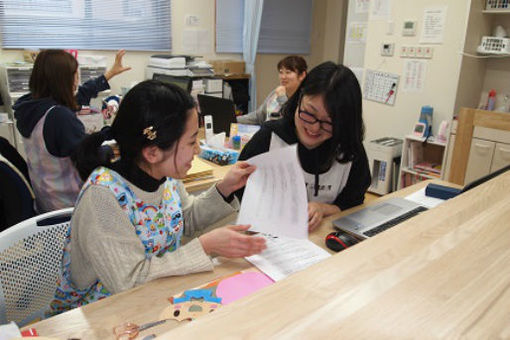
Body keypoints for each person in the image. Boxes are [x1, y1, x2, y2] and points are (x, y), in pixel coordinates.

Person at [48, 80, 266, 315]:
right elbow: (128, 280)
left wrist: (225, 188)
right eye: (192, 142)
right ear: (152, 152)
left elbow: (183, 220)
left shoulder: (165, 175)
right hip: (96, 313)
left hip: (153, 297)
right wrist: (205, 246)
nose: (198, 151)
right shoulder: (103, 197)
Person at [237, 62, 371, 231]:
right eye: (309, 113)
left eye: (329, 123)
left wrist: (323, 208)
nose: (314, 128)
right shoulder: (269, 139)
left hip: (322, 244)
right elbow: (238, 193)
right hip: (268, 239)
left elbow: (353, 202)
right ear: (299, 98)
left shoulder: (349, 150)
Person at [13, 49, 131, 213]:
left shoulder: (30, 105)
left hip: (46, 200)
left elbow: (78, 97)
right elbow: (88, 158)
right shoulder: (59, 117)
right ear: (63, 80)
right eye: (75, 75)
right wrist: (112, 144)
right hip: (68, 207)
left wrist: (109, 74)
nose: (78, 80)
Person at [237, 55, 307, 125]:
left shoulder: (305, 98)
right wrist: (233, 119)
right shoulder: (276, 93)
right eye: (281, 72)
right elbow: (258, 116)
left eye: (288, 72)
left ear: (302, 75)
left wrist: (282, 98)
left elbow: (291, 120)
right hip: (266, 132)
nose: (283, 77)